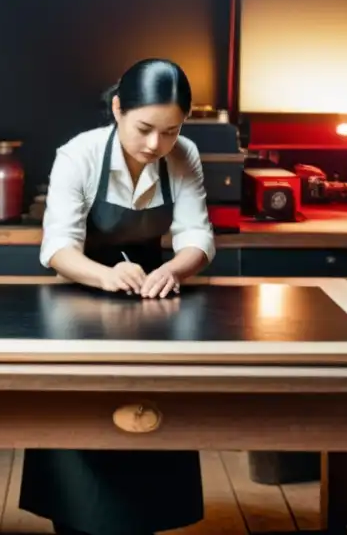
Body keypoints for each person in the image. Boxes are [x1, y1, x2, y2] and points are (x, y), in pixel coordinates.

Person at [19, 58, 216, 535]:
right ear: (117, 109)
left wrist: (171, 269)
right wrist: (106, 275)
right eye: (145, 128)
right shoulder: (78, 155)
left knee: (153, 412)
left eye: (170, 131)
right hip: (80, 295)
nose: (156, 144)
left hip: (152, 297)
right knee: (79, 420)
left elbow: (198, 237)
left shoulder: (183, 154)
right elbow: (57, 248)